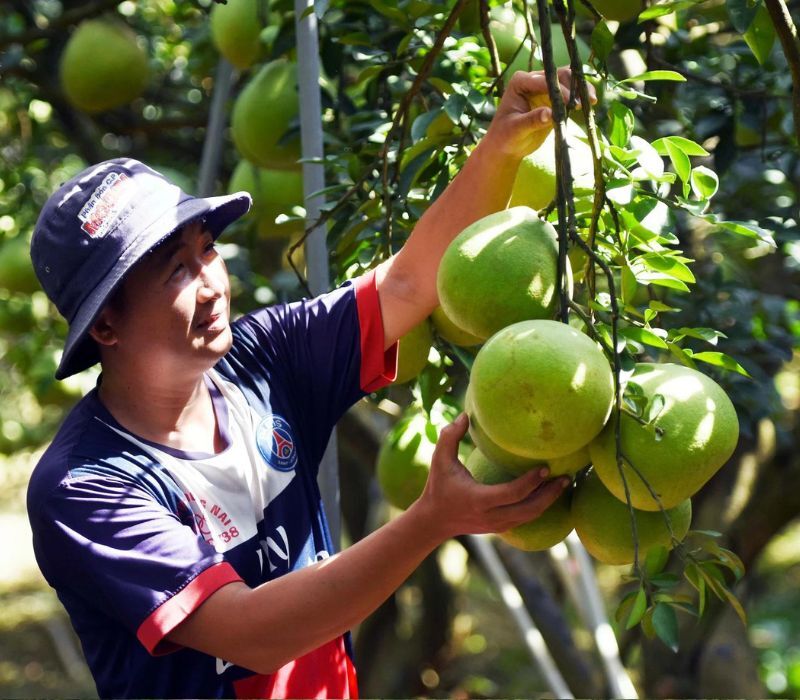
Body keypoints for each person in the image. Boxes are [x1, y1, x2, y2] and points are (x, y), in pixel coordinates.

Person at [26, 68, 587, 699]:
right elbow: (252, 633)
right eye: (175, 271)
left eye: (206, 250)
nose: (211, 282)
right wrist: (431, 519)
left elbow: (406, 283)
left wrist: (502, 147)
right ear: (105, 323)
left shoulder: (263, 359)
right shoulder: (86, 487)